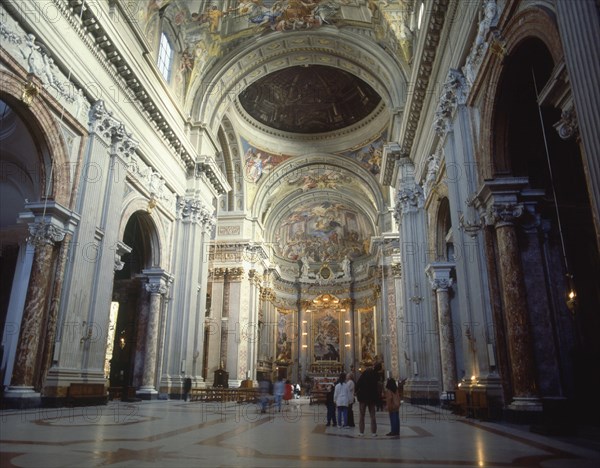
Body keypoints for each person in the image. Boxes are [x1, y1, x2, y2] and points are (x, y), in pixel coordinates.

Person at [355, 362, 381, 436]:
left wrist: (356, 391)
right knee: (372, 415)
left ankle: (361, 432)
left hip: (363, 397)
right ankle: (374, 432)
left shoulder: (364, 374)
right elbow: (378, 384)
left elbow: (358, 384)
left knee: (362, 415)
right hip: (372, 397)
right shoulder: (375, 374)